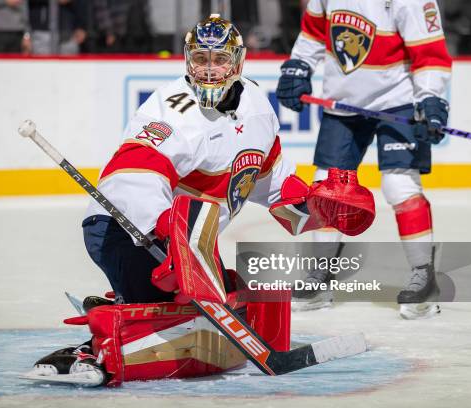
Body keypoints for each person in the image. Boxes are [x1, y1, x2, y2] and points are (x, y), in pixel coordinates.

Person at [24, 15, 375, 387]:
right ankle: (91, 347)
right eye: (200, 59)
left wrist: (311, 204)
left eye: (219, 59)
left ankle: (125, 304)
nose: (209, 69)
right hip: (123, 228)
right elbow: (131, 179)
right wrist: (166, 233)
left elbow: (267, 179)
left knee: (222, 302)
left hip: (190, 237)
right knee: (185, 313)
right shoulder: (171, 110)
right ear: (187, 60)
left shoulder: (257, 106)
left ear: (237, 62)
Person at [276, 0, 452, 319]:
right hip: (343, 105)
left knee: (399, 186)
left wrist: (431, 98)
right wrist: (298, 66)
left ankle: (423, 275)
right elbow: (314, 34)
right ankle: (321, 274)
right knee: (328, 188)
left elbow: (429, 55)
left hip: (398, 103)